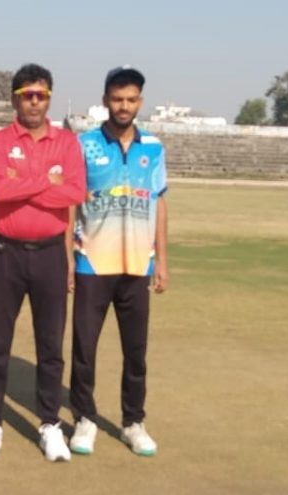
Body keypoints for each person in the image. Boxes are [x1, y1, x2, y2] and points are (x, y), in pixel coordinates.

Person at [0, 63, 86, 463]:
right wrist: (47, 182)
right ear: (14, 98)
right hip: (5, 253)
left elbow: (75, 193)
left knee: (51, 345)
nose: (34, 102)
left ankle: (50, 423)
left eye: (41, 95)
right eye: (27, 95)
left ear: (49, 98)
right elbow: (0, 190)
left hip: (50, 253)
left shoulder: (66, 143)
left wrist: (24, 183)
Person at [69, 66, 169, 457]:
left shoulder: (153, 147)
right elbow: (70, 205)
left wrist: (162, 261)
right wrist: (67, 258)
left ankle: (133, 422)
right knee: (84, 348)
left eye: (130, 100)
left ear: (139, 101)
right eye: (117, 99)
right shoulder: (85, 145)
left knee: (135, 351)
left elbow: (159, 203)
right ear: (105, 100)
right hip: (92, 264)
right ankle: (84, 419)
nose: (123, 106)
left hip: (137, 265)